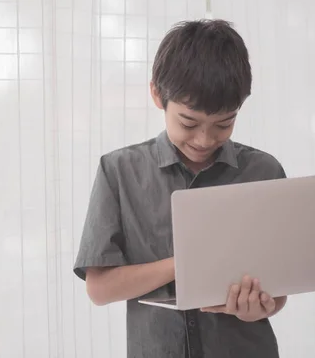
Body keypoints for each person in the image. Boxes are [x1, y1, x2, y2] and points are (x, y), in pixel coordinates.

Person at [73, 19, 289, 358]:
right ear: (157, 95)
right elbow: (99, 288)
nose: (204, 139)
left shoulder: (264, 171)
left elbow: (277, 293)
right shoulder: (119, 171)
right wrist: (189, 263)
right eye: (188, 122)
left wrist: (258, 307)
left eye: (224, 124)